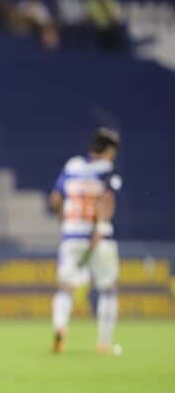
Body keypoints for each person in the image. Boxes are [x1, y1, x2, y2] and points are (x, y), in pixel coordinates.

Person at [49, 128, 122, 354]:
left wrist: (64, 221)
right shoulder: (107, 170)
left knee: (66, 288)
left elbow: (55, 199)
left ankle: (60, 329)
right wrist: (99, 229)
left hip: (71, 235)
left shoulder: (72, 166)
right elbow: (107, 200)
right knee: (108, 289)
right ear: (109, 151)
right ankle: (103, 342)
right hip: (98, 236)